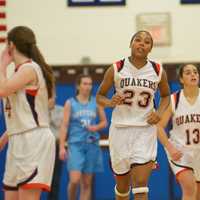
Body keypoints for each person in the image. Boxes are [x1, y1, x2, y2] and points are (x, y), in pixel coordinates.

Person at [96, 30, 170, 200]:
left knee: (140, 184)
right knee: (122, 187)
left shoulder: (157, 70)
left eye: (147, 42)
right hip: (120, 130)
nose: (142, 44)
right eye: (138, 40)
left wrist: (159, 113)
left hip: (144, 130)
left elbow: (166, 96)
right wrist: (110, 102)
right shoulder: (116, 68)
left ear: (150, 48)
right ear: (131, 44)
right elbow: (99, 96)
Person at [0, 26, 55, 200]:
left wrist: (1, 64)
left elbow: (2, 90)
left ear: (11, 45)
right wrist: (4, 139)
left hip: (35, 141)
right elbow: (21, 115)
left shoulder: (30, 69)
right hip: (18, 139)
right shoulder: (17, 73)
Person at [59, 74, 107, 200]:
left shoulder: (96, 102)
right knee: (74, 180)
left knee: (86, 183)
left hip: (91, 145)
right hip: (75, 144)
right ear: (78, 85)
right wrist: (61, 147)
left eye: (90, 84)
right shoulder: (70, 103)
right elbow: (64, 125)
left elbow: (104, 122)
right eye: (85, 83)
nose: (88, 86)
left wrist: (95, 128)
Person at [157, 64, 200, 200]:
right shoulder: (173, 100)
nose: (193, 75)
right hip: (180, 152)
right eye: (188, 73)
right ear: (181, 79)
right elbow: (158, 127)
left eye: (195, 72)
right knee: (190, 187)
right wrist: (170, 148)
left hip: (198, 153)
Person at [48, 99, 63, 200]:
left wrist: (49, 112)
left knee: (55, 178)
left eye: (53, 97)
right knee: (39, 179)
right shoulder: (40, 110)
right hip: (43, 147)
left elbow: (59, 124)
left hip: (56, 146)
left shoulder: (60, 110)